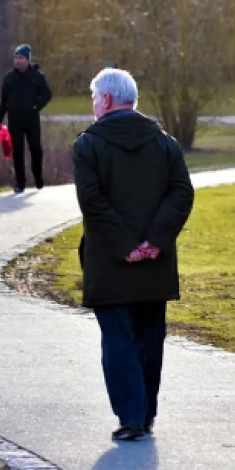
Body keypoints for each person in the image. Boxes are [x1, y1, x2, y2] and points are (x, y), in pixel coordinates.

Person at [73, 68, 195, 441]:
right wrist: (154, 241)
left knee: (118, 340)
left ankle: (131, 416)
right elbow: (181, 193)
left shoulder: (88, 145)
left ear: (107, 100)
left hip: (109, 262)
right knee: (148, 339)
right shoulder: (165, 144)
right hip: (155, 264)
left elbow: (92, 202)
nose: (94, 105)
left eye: (95, 98)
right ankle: (145, 413)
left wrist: (126, 246)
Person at [0, 44, 52, 192]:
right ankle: (20, 183)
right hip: (14, 120)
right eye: (16, 58)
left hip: (31, 119)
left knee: (35, 149)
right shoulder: (9, 78)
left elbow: (47, 94)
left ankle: (38, 179)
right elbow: (3, 100)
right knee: (17, 151)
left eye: (21, 58)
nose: (18, 61)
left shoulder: (37, 76)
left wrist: (36, 107)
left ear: (27, 60)